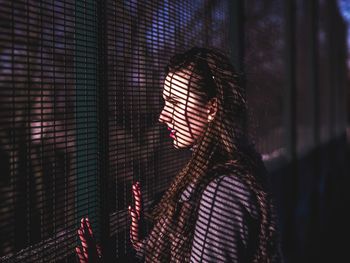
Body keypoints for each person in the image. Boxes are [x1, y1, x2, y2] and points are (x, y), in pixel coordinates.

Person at [76, 47, 283, 262]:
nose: (163, 116)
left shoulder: (222, 189)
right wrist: (153, 245)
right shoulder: (228, 164)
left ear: (211, 108)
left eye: (174, 102)